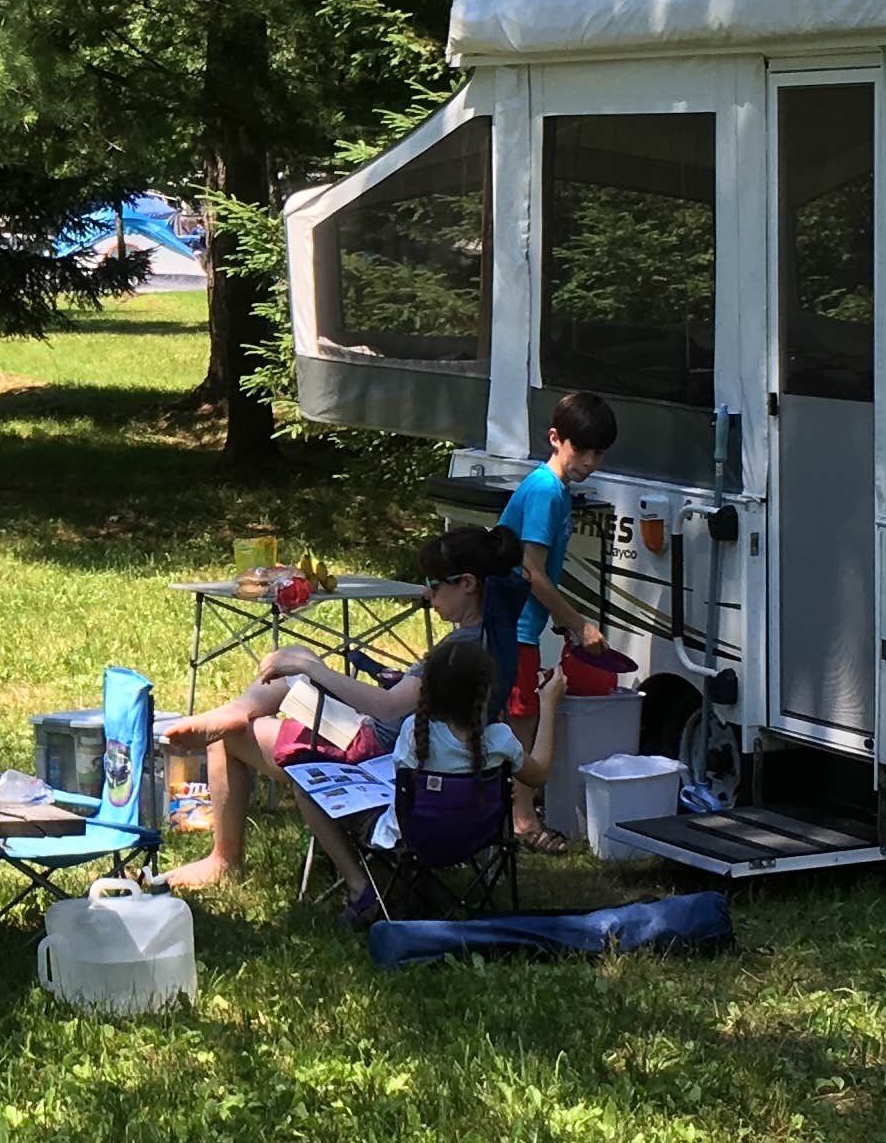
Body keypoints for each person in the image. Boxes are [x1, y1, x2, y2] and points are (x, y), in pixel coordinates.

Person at [163, 526, 499, 893]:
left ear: (467, 583)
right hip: (396, 746)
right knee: (296, 659)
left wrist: (314, 671)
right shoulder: (501, 640)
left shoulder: (457, 653)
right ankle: (236, 709)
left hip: (374, 754)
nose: (425, 592)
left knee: (228, 737)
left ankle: (223, 860)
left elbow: (388, 708)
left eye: (435, 585)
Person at [277, 629, 522, 928]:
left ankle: (360, 887)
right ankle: (418, 886)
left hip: (411, 835)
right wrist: (548, 705)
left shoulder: (414, 733)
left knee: (306, 789)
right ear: (487, 691)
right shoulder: (502, 740)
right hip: (477, 835)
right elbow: (540, 772)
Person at [501, 391, 618, 851]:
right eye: (582, 450)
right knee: (522, 722)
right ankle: (523, 819)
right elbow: (531, 572)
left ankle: (513, 811)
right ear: (555, 439)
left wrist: (559, 617)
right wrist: (577, 622)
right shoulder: (548, 492)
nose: (590, 461)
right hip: (514, 626)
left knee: (518, 718)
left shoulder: (556, 490)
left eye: (599, 453)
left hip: (521, 623)